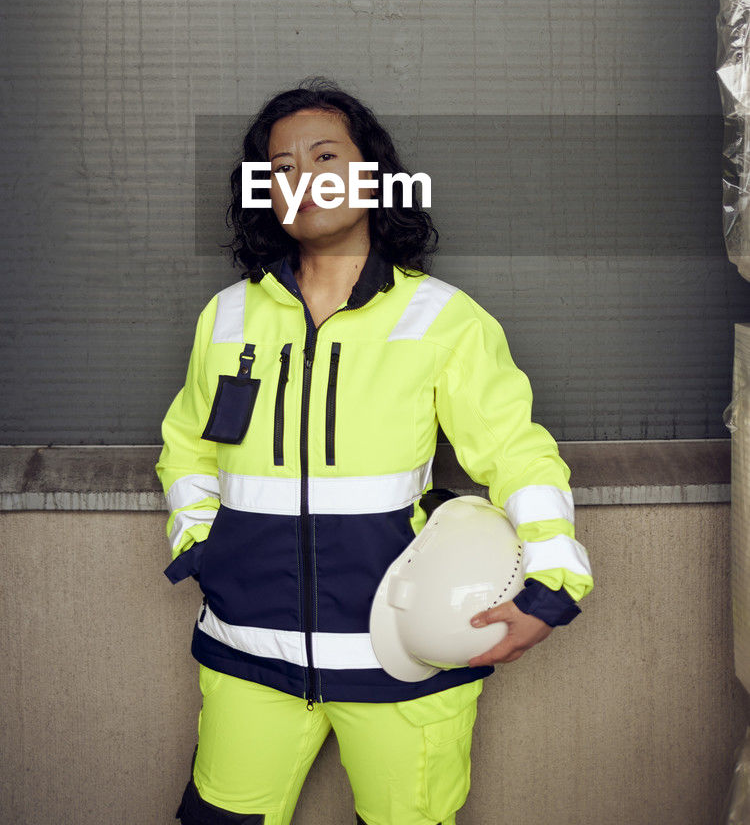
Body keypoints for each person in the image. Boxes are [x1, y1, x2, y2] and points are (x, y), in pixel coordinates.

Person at [156, 78, 593, 825]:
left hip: (398, 655)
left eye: (326, 156)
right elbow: (187, 445)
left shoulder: (443, 319)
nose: (304, 179)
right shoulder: (226, 317)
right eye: (282, 166)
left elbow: (517, 453)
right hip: (248, 648)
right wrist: (203, 542)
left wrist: (554, 582)